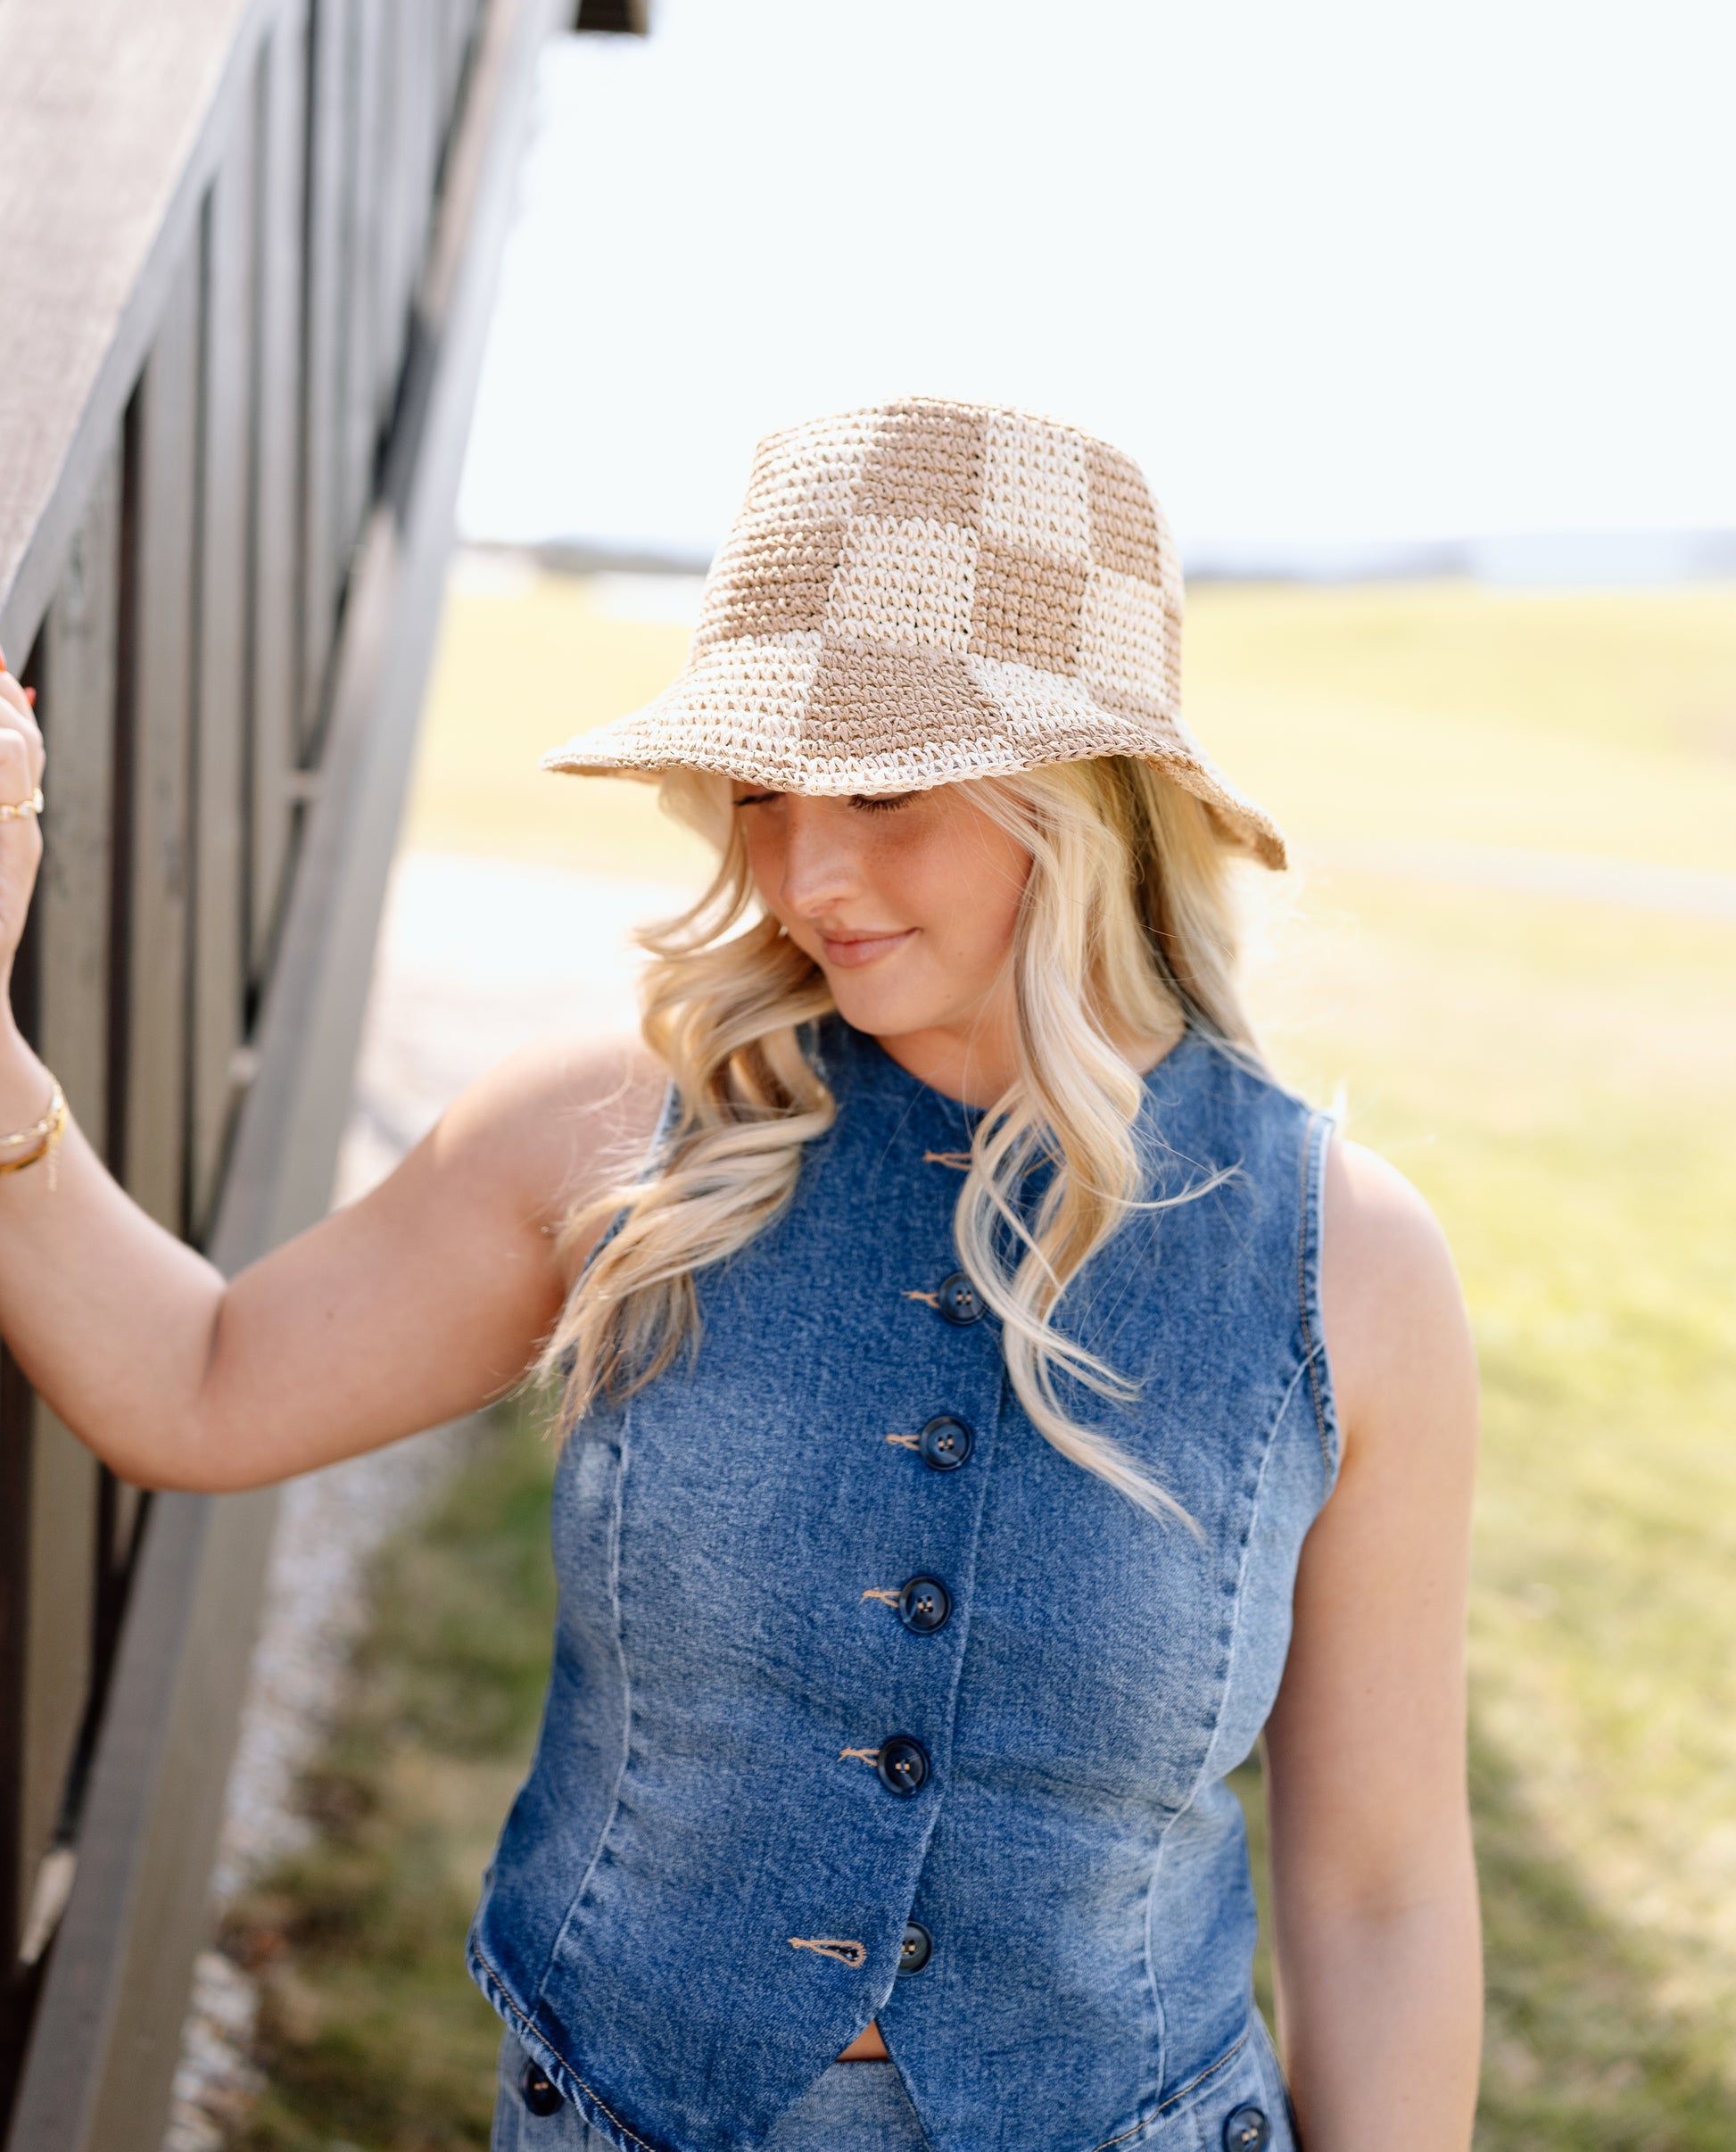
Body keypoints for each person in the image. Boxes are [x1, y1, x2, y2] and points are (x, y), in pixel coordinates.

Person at [0, 399, 1480, 2152]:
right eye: (763, 792)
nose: (805, 872)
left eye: (883, 789)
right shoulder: (614, 1133)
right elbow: (194, 1384)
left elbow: (1382, 1885)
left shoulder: (1343, 1262)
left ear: (1087, 795)